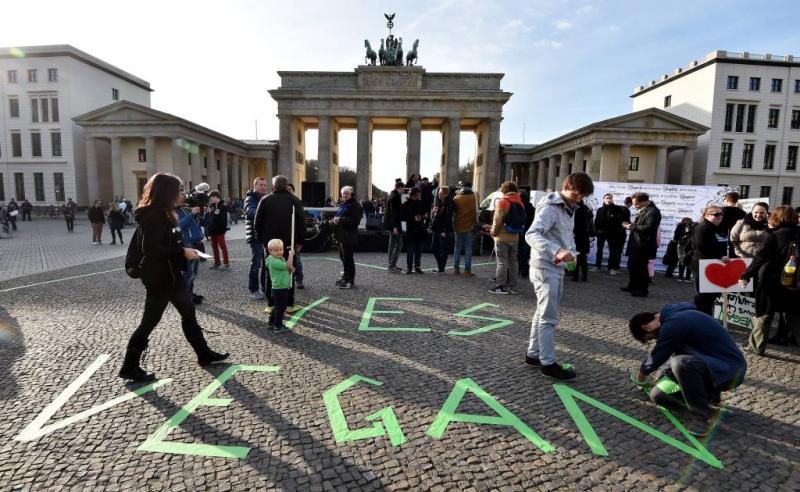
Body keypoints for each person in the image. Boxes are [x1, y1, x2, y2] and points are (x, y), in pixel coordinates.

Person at [119, 173, 229, 382]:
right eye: (179, 190)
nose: (182, 193)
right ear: (167, 192)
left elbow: (168, 244)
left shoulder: (166, 213)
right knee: (149, 322)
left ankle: (204, 353)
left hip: (170, 275)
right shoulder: (153, 215)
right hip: (158, 278)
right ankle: (129, 365)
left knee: (188, 312)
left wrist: (184, 249)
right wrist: (182, 252)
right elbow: (152, 250)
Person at [629, 303, 746, 437]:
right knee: (658, 396)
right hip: (708, 364)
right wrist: (662, 375)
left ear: (647, 327)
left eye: (650, 338)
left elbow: (660, 353)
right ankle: (709, 395)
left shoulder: (674, 322)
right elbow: (679, 350)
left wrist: (641, 376)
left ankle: (704, 416)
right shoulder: (674, 319)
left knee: (681, 363)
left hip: (729, 370)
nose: (656, 339)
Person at [526, 172, 594, 381]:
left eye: (582, 195)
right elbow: (531, 234)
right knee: (549, 317)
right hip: (545, 267)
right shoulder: (550, 208)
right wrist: (556, 250)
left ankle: (533, 354)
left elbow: (566, 235)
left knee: (542, 313)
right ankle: (548, 364)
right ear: (565, 186)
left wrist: (571, 251)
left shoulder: (569, 209)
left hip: (554, 267)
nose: (579, 198)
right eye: (576, 193)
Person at [739, 206, 800, 355]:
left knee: (764, 315)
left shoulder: (775, 235)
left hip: (772, 282)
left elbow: (761, 258)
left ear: (777, 218)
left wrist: (746, 275)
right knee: (795, 317)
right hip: (795, 283)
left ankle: (756, 347)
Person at [254, 175, 304, 313]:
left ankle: (271, 304)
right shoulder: (295, 201)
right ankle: (289, 304)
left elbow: (257, 223)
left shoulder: (265, 200)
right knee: (289, 272)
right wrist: (300, 241)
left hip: (270, 245)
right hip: (289, 244)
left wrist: (263, 242)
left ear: (274, 186)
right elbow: (301, 223)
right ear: (286, 185)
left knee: (270, 273)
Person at [488, 181, 526, 294]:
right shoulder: (520, 202)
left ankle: (501, 286)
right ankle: (514, 286)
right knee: (513, 262)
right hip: (515, 236)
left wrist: (493, 232)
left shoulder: (502, 202)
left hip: (502, 236)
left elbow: (498, 220)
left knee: (501, 262)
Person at [622, 192, 661, 297]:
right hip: (636, 244)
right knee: (632, 266)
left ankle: (642, 290)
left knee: (642, 268)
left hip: (644, 246)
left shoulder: (653, 212)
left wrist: (632, 226)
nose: (635, 206)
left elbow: (649, 229)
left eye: (637, 204)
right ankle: (632, 285)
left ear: (644, 201)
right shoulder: (644, 210)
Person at [691, 205, 729, 315]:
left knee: (711, 295)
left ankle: (706, 316)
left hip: (712, 265)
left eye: (721, 214)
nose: (719, 217)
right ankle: (701, 317)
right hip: (702, 265)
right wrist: (720, 256)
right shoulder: (703, 227)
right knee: (704, 296)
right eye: (716, 214)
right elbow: (701, 246)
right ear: (707, 215)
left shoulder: (718, 228)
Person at [176, 192, 207, 304]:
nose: (184, 196)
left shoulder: (184, 209)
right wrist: (191, 214)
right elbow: (179, 226)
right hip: (187, 244)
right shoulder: (173, 211)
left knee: (194, 272)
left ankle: (189, 293)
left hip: (195, 243)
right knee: (188, 273)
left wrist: (206, 213)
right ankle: (185, 296)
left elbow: (202, 222)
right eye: (181, 194)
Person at [332, 186, 363, 289]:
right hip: (341, 236)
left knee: (349, 259)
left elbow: (355, 221)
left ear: (351, 194)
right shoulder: (344, 204)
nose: (344, 195)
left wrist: (340, 220)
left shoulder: (355, 205)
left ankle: (351, 281)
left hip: (348, 236)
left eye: (346, 193)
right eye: (343, 194)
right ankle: (346, 277)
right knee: (344, 258)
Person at [245, 177, 268, 299]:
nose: (263, 187)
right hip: (254, 236)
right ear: (255, 186)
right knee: (256, 263)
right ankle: (253, 289)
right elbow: (251, 212)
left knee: (266, 263)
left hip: (265, 235)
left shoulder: (265, 198)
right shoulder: (250, 198)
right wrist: (266, 214)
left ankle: (264, 287)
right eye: (260, 185)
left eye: (264, 185)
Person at [592, 194, 627, 274]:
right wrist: (596, 231)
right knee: (599, 251)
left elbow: (620, 221)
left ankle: (611, 268)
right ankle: (597, 266)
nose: (609, 199)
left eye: (610, 198)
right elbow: (596, 221)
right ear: (603, 199)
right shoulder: (600, 210)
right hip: (601, 233)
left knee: (612, 251)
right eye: (607, 198)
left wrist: (617, 231)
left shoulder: (617, 209)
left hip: (612, 234)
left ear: (612, 199)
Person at [265, 238, 294, 332]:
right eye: (276, 250)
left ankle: (271, 322)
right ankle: (278, 326)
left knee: (278, 306)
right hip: (280, 288)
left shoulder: (280, 259)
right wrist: (291, 255)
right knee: (281, 308)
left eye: (281, 249)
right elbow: (288, 266)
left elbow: (286, 269)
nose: (279, 252)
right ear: (270, 251)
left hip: (281, 286)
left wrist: (290, 271)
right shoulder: (273, 261)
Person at [453, 181, 478, 277]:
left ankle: (456, 269)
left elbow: (454, 212)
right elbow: (476, 211)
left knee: (457, 248)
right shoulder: (474, 197)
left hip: (458, 226)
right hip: (470, 226)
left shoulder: (456, 198)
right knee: (468, 249)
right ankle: (467, 270)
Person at [402, 187, 427, 274]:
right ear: (414, 194)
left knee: (418, 250)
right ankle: (409, 267)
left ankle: (417, 266)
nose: (420, 195)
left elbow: (423, 214)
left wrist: (422, 217)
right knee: (410, 250)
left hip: (419, 230)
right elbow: (403, 218)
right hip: (410, 230)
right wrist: (404, 230)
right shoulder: (405, 204)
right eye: (418, 193)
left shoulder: (420, 203)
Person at [431, 186, 454, 274]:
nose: (439, 195)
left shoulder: (449, 203)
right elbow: (439, 215)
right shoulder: (440, 202)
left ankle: (441, 268)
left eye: (440, 193)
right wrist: (434, 212)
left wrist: (444, 230)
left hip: (443, 229)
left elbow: (448, 218)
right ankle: (440, 266)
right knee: (434, 247)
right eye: (439, 193)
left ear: (445, 194)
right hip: (437, 228)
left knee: (443, 249)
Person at [384, 180, 405, 273]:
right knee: (399, 245)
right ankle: (391, 265)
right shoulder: (395, 197)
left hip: (392, 224)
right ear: (399, 188)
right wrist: (395, 227)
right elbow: (394, 214)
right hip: (395, 225)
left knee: (392, 245)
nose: (404, 190)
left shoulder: (393, 196)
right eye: (403, 188)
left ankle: (391, 265)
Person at [571, 200, 594, 282]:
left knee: (575, 256)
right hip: (585, 236)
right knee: (583, 258)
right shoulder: (587, 209)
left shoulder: (575, 209)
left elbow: (573, 223)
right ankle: (584, 276)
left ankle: (575, 275)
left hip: (577, 236)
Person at [207, 191, 230, 270]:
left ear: (216, 197)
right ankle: (217, 262)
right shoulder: (213, 206)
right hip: (212, 230)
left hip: (219, 230)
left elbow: (223, 220)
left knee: (222, 246)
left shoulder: (222, 206)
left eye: (211, 198)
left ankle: (226, 263)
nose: (211, 200)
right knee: (214, 247)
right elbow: (210, 219)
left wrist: (222, 230)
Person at [287, 184, 304, 289]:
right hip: (284, 236)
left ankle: (299, 279)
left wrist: (301, 240)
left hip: (295, 236)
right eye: (286, 189)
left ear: (293, 190)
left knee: (296, 260)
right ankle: (288, 279)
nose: (288, 191)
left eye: (290, 189)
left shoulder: (297, 202)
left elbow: (302, 222)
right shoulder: (281, 202)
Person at [720, 191, 747, 257]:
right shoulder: (743, 213)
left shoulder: (721, 211)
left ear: (726, 199)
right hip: (737, 239)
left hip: (723, 238)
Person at [518, 189, 536, 277]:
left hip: (521, 230)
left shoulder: (520, 205)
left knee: (520, 251)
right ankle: (524, 269)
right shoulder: (531, 206)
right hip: (528, 230)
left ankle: (521, 268)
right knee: (525, 251)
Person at [671, 217, 695, 282]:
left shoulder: (680, 225)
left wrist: (678, 241)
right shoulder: (693, 226)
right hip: (690, 246)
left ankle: (680, 277)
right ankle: (687, 278)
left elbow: (675, 236)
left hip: (681, 245)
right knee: (689, 261)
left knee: (682, 260)